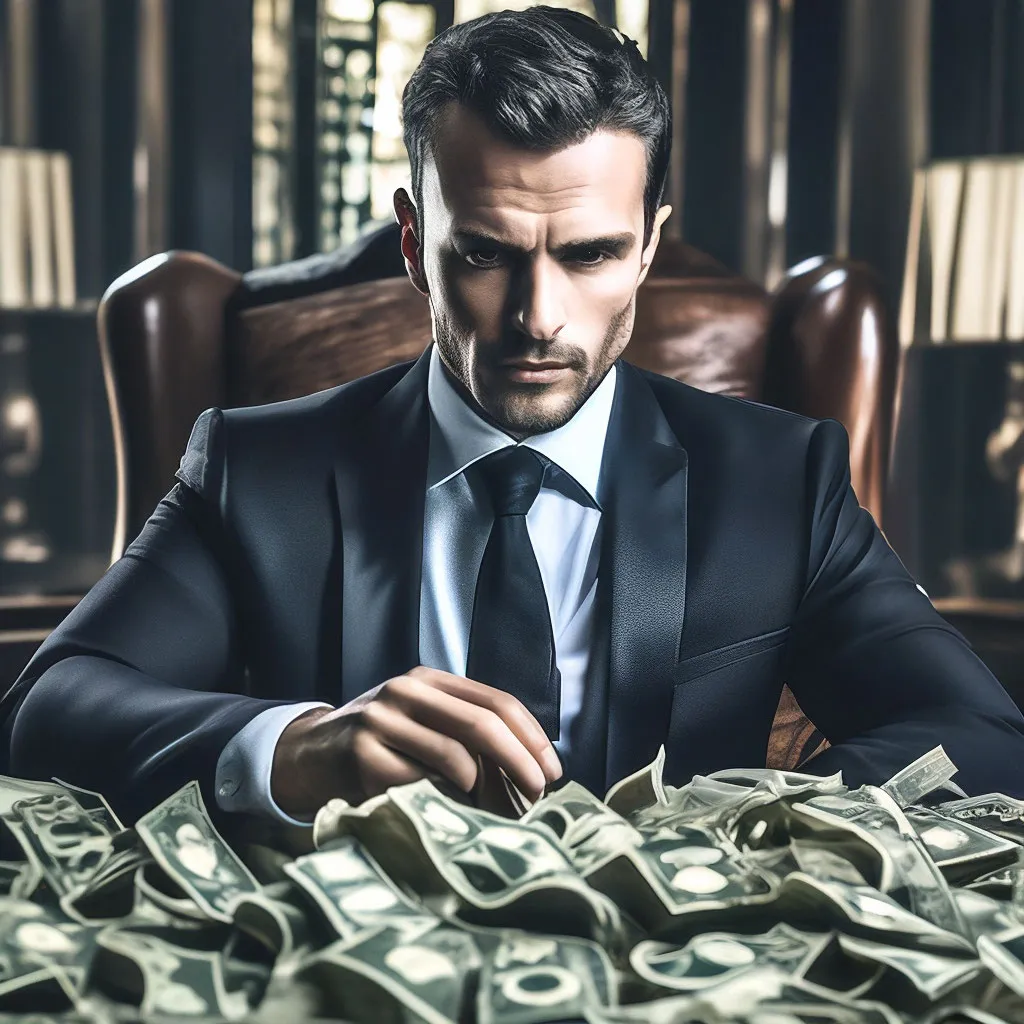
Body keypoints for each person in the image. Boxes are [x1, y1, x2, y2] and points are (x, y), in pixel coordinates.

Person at [4, 7, 1024, 827]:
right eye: (486, 252)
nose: (539, 317)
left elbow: (978, 733)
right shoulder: (256, 468)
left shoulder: (780, 478)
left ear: (646, 249)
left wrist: (757, 825)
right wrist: (297, 748)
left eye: (586, 253)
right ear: (414, 243)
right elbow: (46, 711)